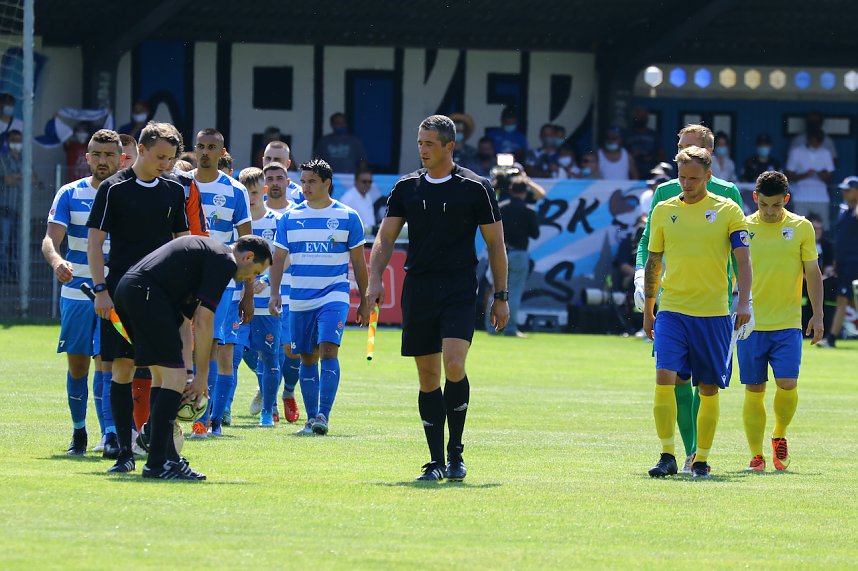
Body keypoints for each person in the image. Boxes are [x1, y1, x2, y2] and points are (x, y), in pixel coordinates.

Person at [367, 114, 508, 481]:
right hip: (420, 288)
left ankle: (456, 452)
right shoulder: (406, 188)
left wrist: (501, 295)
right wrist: (374, 280)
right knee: (427, 377)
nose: (423, 150)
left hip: (460, 286)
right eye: (420, 143)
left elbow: (495, 244)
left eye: (430, 144)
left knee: (454, 364)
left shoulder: (475, 187)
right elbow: (384, 238)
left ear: (449, 146)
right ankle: (434, 461)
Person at [633, 123, 745, 474]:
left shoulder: (729, 197)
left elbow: (741, 251)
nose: (680, 152)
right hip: (673, 303)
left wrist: (743, 298)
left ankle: (701, 454)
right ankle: (684, 451)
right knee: (671, 377)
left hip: (713, 302)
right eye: (679, 146)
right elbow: (650, 243)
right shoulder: (665, 195)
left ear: (707, 156)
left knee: (706, 384)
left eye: (688, 146)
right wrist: (643, 279)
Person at [114, 234, 271, 480]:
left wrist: (188, 376)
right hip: (147, 295)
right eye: (256, 272)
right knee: (171, 379)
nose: (252, 279)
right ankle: (158, 463)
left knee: (162, 377)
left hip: (131, 290)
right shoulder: (224, 260)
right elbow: (204, 321)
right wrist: (202, 378)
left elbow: (185, 323)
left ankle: (167, 458)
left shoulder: (207, 258)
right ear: (248, 257)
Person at [86, 121, 190, 472]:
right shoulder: (113, 189)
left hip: (162, 295)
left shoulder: (175, 190)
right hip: (120, 292)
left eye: (171, 158)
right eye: (160, 156)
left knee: (164, 372)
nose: (166, 163)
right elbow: (96, 243)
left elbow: (183, 244)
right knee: (122, 368)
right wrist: (101, 289)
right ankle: (124, 452)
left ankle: (157, 447)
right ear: (141, 149)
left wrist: (184, 293)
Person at [268, 159, 370, 436]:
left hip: (334, 295)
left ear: (327, 183)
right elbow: (278, 259)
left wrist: (364, 298)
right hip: (300, 298)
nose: (305, 187)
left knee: (328, 350)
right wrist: (275, 292)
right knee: (307, 357)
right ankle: (311, 419)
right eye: (302, 182)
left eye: (311, 181)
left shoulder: (349, 217)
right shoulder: (289, 218)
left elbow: (359, 263)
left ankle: (324, 414)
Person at [42, 129, 122, 455]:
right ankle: (79, 431)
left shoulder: (128, 193)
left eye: (109, 155)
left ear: (121, 158)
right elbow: (50, 239)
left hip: (116, 294)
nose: (103, 161)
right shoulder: (69, 193)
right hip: (76, 293)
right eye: (97, 155)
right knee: (79, 367)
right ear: (87, 158)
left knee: (109, 362)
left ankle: (111, 434)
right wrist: (57, 261)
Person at [737, 171, 823, 472]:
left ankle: (779, 435)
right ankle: (756, 454)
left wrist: (818, 313)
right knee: (754, 389)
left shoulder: (801, 227)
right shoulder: (742, 227)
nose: (770, 212)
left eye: (775, 205)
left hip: (787, 324)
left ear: (785, 199)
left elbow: (812, 272)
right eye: (764, 205)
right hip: (750, 324)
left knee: (787, 383)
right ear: (755, 199)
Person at [186, 128, 252, 440]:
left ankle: (207, 420)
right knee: (186, 344)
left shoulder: (236, 191)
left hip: (222, 282)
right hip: (184, 278)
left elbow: (248, 246)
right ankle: (185, 413)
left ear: (222, 153)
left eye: (212, 147)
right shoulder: (181, 184)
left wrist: (248, 292)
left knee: (212, 346)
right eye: (200, 146)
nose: (205, 152)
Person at [233, 167, 286, 426]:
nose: (250, 199)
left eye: (254, 193)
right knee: (237, 353)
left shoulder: (278, 220)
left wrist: (265, 280)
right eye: (246, 193)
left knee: (270, 355)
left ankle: (268, 411)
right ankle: (222, 412)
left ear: (263, 191)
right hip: (240, 300)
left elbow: (283, 258)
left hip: (267, 302)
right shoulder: (238, 222)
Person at [259, 161, 302, 422]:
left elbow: (289, 255)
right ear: (265, 184)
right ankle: (269, 402)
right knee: (264, 353)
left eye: (280, 178)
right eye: (270, 178)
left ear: (288, 183)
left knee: (292, 351)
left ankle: (288, 391)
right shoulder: (254, 211)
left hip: (291, 292)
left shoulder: (296, 214)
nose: (275, 182)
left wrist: (267, 276)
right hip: (257, 293)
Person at [486, 176, 538, 337]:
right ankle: (510, 328)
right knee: (514, 292)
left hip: (501, 252)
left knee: (497, 290)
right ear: (525, 192)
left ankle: (491, 328)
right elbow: (535, 234)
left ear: (510, 190)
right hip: (520, 253)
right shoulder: (529, 210)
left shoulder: (501, 207)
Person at [822, 177, 858, 347]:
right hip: (843, 264)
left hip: (854, 263)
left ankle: (831, 338)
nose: (844, 193)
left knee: (842, 299)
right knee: (851, 301)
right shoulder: (844, 211)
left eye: (848, 190)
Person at [785, 129, 834, 228]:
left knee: (822, 228)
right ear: (809, 140)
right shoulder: (796, 152)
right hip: (800, 197)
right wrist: (805, 175)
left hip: (821, 198)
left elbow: (830, 176)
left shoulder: (826, 153)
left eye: (819, 142)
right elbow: (788, 175)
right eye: (815, 141)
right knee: (798, 228)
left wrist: (820, 174)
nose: (817, 144)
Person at [0, 129, 23, 280]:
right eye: (14, 140)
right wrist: (23, 177)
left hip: (20, 209)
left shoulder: (25, 159)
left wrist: (16, 177)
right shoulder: (3, 159)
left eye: (19, 140)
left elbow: (34, 178)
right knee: (4, 243)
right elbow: (6, 179)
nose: (17, 143)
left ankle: (14, 275)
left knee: (17, 244)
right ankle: (2, 274)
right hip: (5, 208)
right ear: (8, 142)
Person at [624, 106, 663, 176]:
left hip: (651, 171)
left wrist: (652, 158)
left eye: (643, 115)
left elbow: (661, 154)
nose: (641, 117)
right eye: (639, 114)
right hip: (632, 172)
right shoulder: (627, 135)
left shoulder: (653, 135)